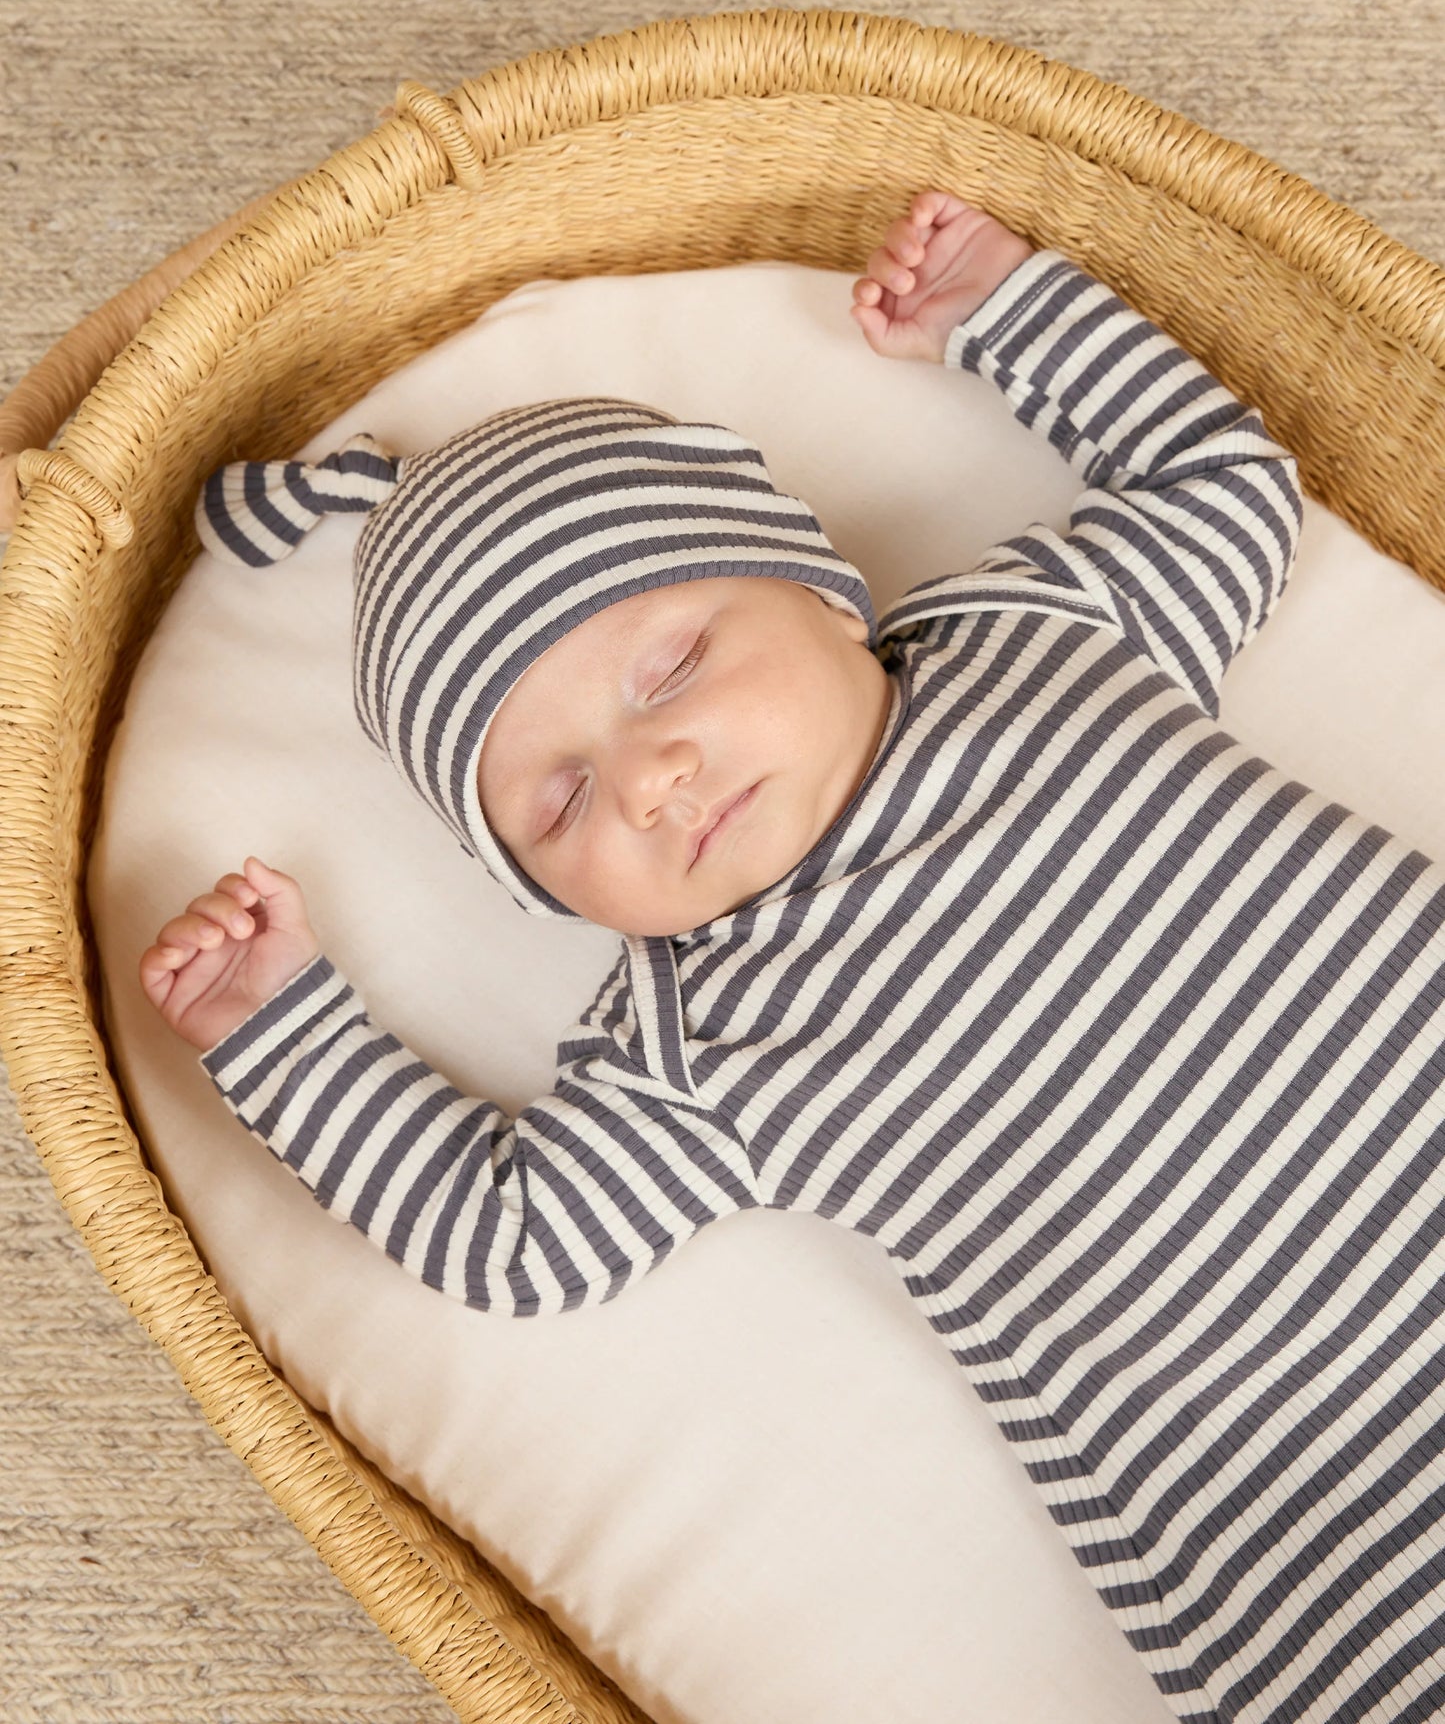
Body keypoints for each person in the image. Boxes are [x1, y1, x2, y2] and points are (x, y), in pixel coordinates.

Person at [139, 192, 1445, 1723]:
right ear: (546, 895)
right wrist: (281, 1028)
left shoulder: (1035, 629)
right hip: (1310, 1496)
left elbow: (1224, 483)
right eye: (556, 803)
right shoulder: (688, 1037)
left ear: (822, 592)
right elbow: (510, 1236)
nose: (649, 775)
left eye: (672, 662)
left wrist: (1003, 314)